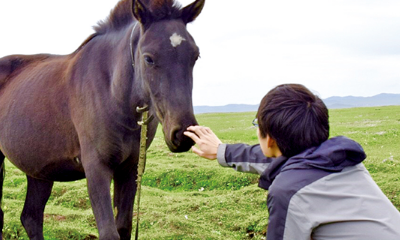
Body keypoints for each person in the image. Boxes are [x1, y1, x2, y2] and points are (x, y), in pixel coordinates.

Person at [184, 84, 400, 240]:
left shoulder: (288, 191)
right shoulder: (343, 159)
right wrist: (223, 151)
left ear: (269, 139)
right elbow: (285, 160)